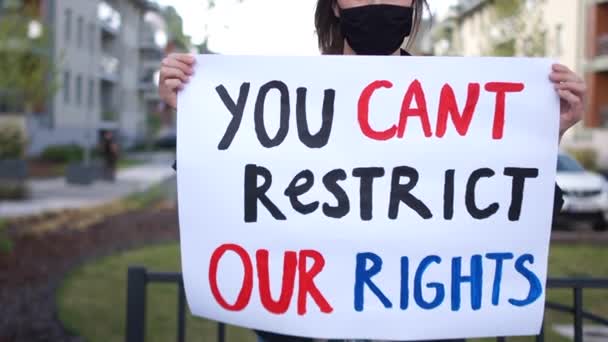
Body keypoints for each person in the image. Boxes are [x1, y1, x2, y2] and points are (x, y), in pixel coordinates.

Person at [159, 0, 585, 341]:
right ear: (336, 6)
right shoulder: (288, 100)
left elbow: (517, 217)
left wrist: (546, 137)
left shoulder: (459, 106)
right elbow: (224, 200)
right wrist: (197, 118)